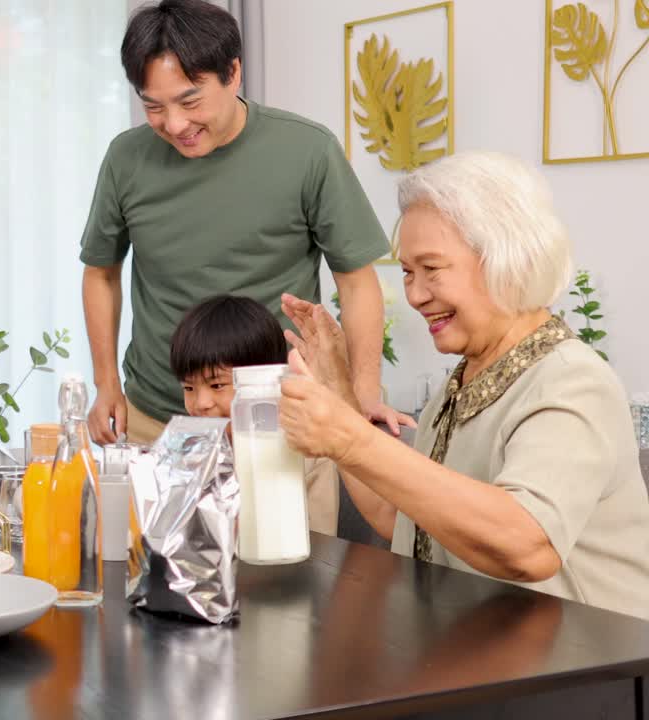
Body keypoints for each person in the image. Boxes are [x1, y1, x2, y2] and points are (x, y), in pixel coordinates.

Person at [279, 150, 649, 619]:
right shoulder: (463, 383)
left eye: (431, 269)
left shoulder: (571, 380)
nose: (414, 295)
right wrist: (340, 395)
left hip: (589, 676)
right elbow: (399, 519)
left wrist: (350, 439)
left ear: (504, 257)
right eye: (408, 274)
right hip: (486, 661)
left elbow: (526, 544)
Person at [81, 0, 413, 449]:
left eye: (190, 100)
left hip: (283, 413)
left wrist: (364, 388)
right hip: (156, 415)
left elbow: (356, 283)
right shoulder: (126, 158)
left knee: (293, 524)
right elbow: (101, 273)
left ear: (233, 72)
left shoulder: (307, 150)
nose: (175, 124)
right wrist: (106, 385)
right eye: (153, 106)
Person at [169, 294, 337, 535]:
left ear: (265, 381)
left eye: (217, 385)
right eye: (188, 388)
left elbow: (322, 545)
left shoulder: (310, 453)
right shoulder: (186, 455)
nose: (201, 403)